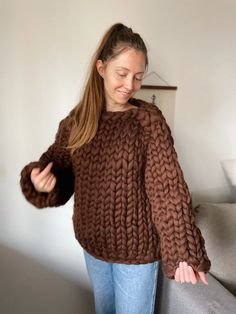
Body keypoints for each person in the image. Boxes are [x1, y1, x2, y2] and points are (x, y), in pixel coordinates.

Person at [20, 23, 211, 314]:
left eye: (138, 77)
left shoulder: (147, 122)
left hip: (137, 255)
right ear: (101, 68)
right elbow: (57, 167)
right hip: (93, 247)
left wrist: (182, 250)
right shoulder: (77, 122)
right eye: (122, 74)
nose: (130, 85)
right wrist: (41, 180)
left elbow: (167, 190)